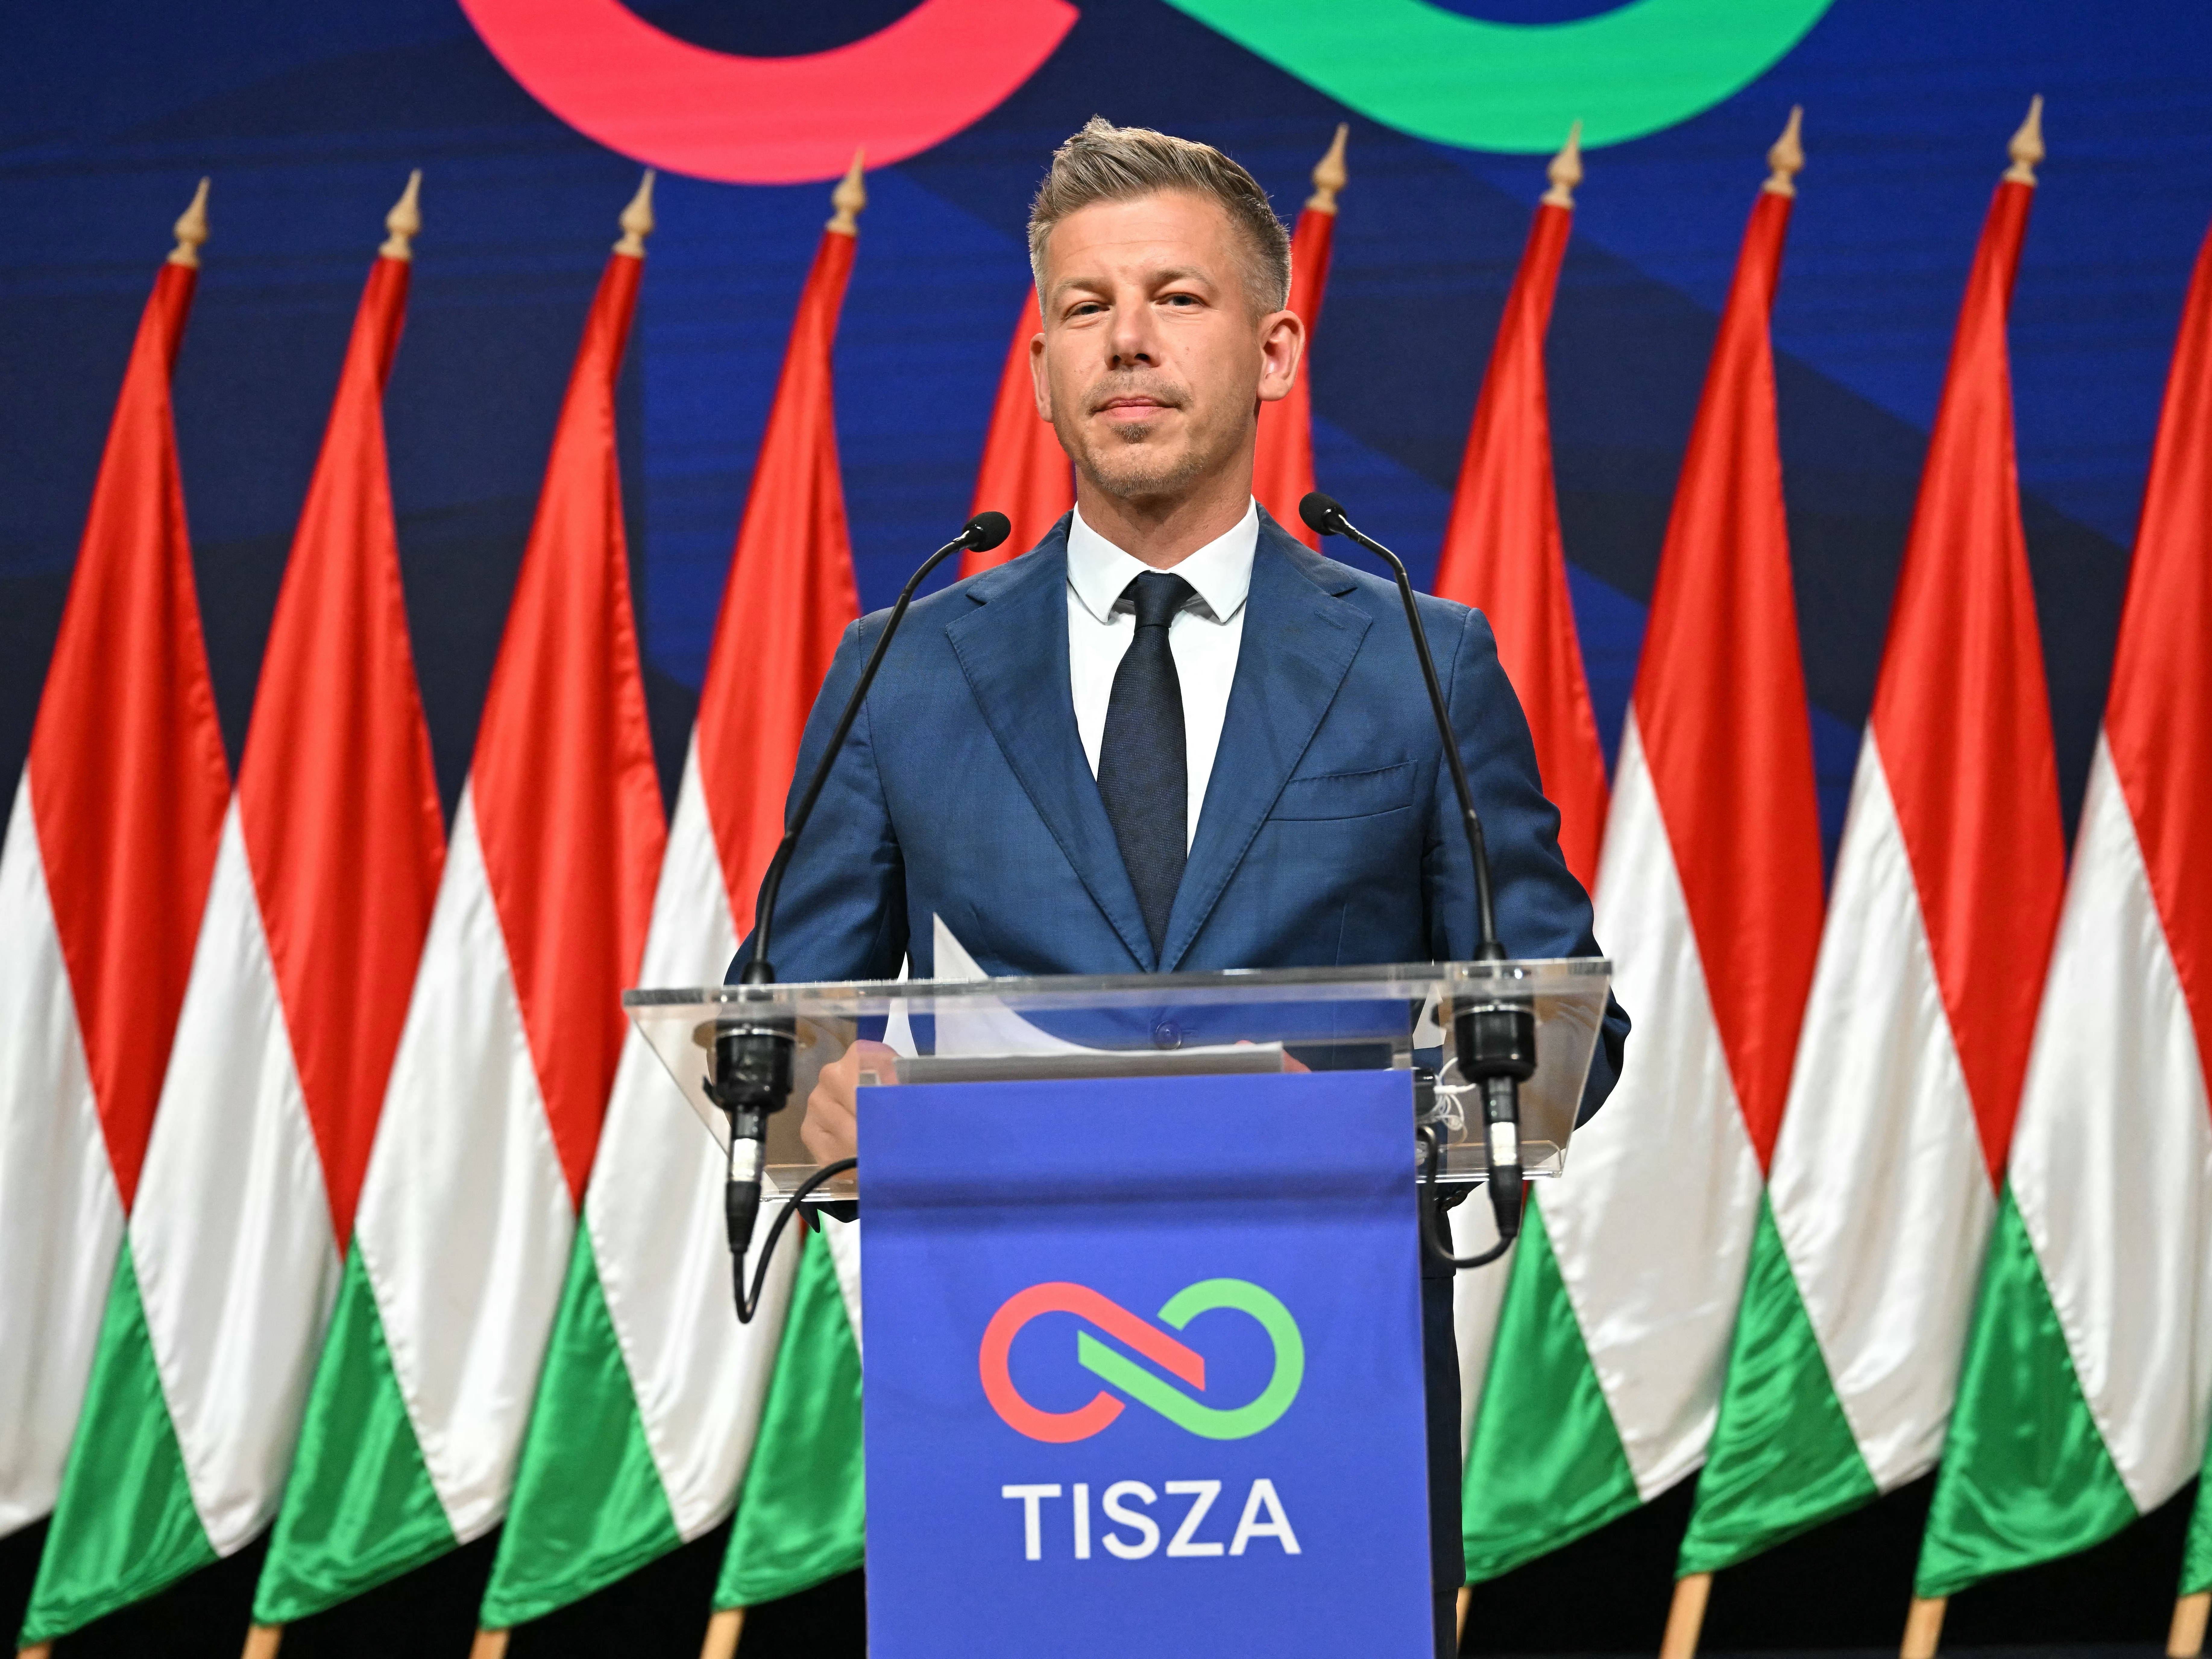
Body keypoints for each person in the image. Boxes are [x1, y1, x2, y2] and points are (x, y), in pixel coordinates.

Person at [731, 117, 1628, 1656]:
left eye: (1175, 300)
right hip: (1010, 1407)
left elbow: (1558, 1027)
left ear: (1275, 350)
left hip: (1318, 1402)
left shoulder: (1418, 656)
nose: (1126, 344)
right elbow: (775, 1012)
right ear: (1037, 366)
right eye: (1084, 308)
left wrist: (1349, 1105)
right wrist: (822, 1086)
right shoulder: (906, 668)